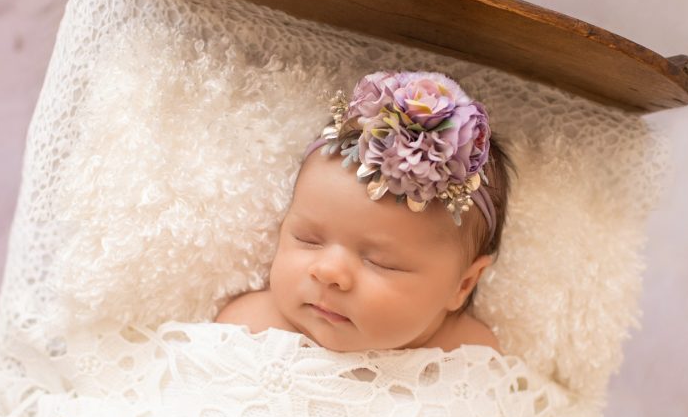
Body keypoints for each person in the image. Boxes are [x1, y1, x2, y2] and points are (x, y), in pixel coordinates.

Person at [217, 69, 515, 353]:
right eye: (308, 239)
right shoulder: (250, 330)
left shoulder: (468, 354)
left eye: (381, 262)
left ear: (463, 284)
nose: (329, 272)